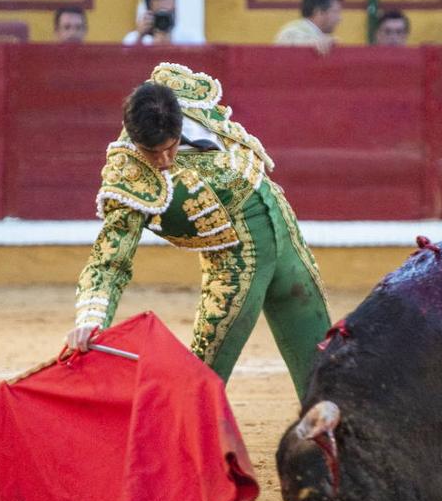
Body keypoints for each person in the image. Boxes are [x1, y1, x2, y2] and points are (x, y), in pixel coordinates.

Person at [67, 62, 332, 402]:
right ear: (135, 141)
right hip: (237, 257)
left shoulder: (182, 95)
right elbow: (109, 261)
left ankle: (335, 450)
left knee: (321, 357)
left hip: (282, 222)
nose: (163, 161)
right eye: (152, 152)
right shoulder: (128, 177)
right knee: (202, 377)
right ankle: (177, 453)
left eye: (171, 147)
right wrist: (91, 318)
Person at [274, 0, 343, 55]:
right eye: (335, 12)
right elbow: (293, 42)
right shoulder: (291, 32)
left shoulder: (317, 35)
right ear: (319, 12)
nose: (339, 18)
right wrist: (315, 42)